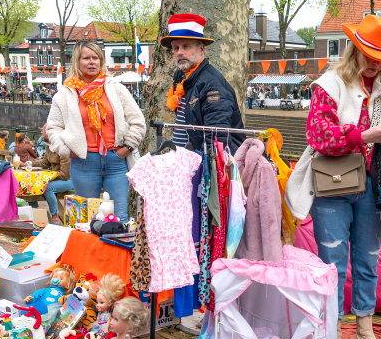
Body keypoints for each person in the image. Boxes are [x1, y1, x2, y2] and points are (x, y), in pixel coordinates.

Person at [285, 15, 381, 339]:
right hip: (333, 187)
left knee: (367, 259)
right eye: (369, 54)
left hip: (373, 185)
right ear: (355, 49)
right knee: (332, 260)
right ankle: (330, 334)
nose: (375, 63)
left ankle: (363, 332)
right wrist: (363, 136)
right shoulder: (329, 85)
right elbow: (319, 135)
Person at [47, 40, 146, 222]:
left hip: (116, 160)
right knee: (87, 219)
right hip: (83, 162)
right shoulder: (65, 95)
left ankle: (117, 250)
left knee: (119, 217)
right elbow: (53, 127)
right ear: (77, 62)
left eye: (95, 58)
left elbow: (138, 121)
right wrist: (66, 151)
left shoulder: (116, 89)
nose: (91, 62)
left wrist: (127, 147)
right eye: (86, 58)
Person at [162, 13, 245, 152]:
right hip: (184, 159)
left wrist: (198, 165)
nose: (179, 52)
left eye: (186, 46)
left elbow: (217, 138)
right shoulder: (180, 76)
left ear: (201, 49)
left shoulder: (213, 84)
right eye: (176, 48)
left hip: (204, 162)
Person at [34, 123, 73, 224]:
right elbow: (44, 164)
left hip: (71, 180)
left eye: (43, 130)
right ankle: (33, 209)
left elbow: (65, 175)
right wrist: (28, 164)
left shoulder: (63, 147)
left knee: (48, 187)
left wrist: (48, 179)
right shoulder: (49, 146)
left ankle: (55, 216)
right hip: (58, 178)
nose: (41, 132)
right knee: (35, 184)